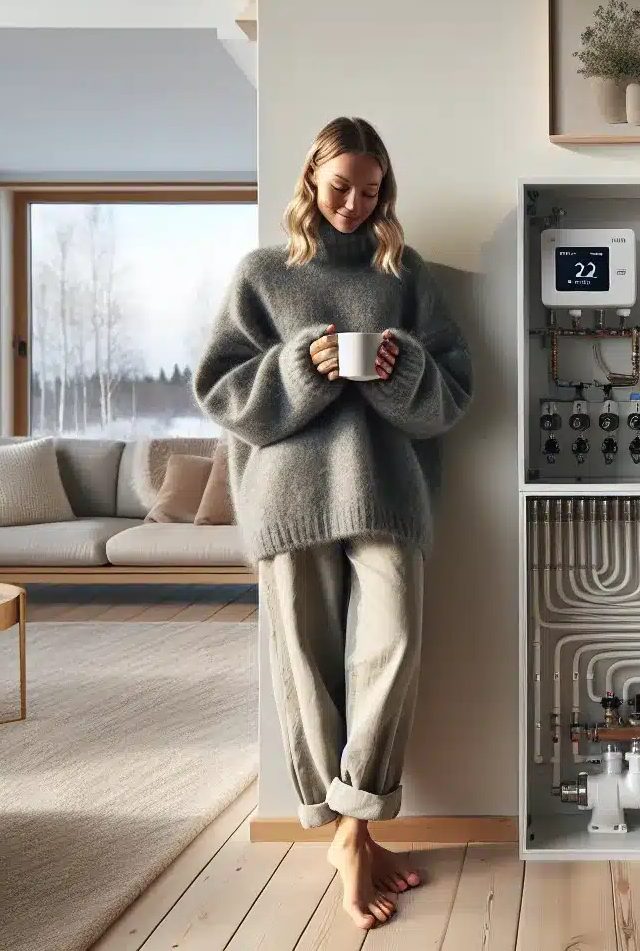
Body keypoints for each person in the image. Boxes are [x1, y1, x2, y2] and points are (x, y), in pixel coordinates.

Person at [194, 117, 472, 930]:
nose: (354, 204)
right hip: (289, 495)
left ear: (387, 191)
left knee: (394, 648)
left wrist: (401, 367)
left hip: (388, 490)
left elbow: (454, 393)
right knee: (306, 663)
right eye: (341, 186)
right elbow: (220, 392)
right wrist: (298, 365)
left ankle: (354, 829)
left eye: (371, 190)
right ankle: (351, 836)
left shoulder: (405, 274)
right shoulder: (263, 274)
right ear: (311, 180)